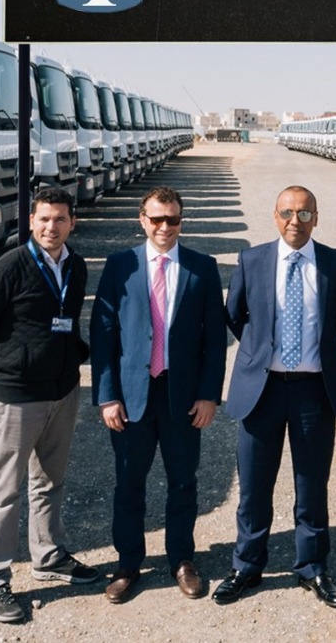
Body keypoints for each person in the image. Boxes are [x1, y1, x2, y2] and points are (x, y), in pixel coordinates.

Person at [212, 185, 336, 609]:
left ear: (317, 217)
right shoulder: (252, 260)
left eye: (305, 213)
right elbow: (236, 314)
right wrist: (260, 355)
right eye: (288, 213)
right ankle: (247, 565)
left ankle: (312, 567)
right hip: (263, 390)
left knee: (311, 485)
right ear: (275, 216)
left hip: (314, 391)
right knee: (254, 487)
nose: (296, 221)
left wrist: (309, 356)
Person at [0, 187, 99, 624]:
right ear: (31, 221)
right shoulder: (9, 267)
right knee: (4, 489)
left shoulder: (76, 266)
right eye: (43, 219)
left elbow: (67, 320)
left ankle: (49, 555)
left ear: (72, 223)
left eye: (59, 219)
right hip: (17, 397)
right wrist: (7, 368)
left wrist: (70, 360)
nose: (50, 227)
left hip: (63, 392)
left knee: (50, 482)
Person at [90, 187, 228, 603]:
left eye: (172, 220)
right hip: (132, 396)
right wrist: (107, 394)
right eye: (156, 219)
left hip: (182, 395)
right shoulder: (119, 267)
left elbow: (215, 341)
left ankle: (182, 559)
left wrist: (209, 395)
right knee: (129, 481)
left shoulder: (203, 268)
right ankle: (129, 562)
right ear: (142, 220)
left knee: (183, 481)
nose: (164, 227)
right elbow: (103, 334)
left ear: (181, 221)